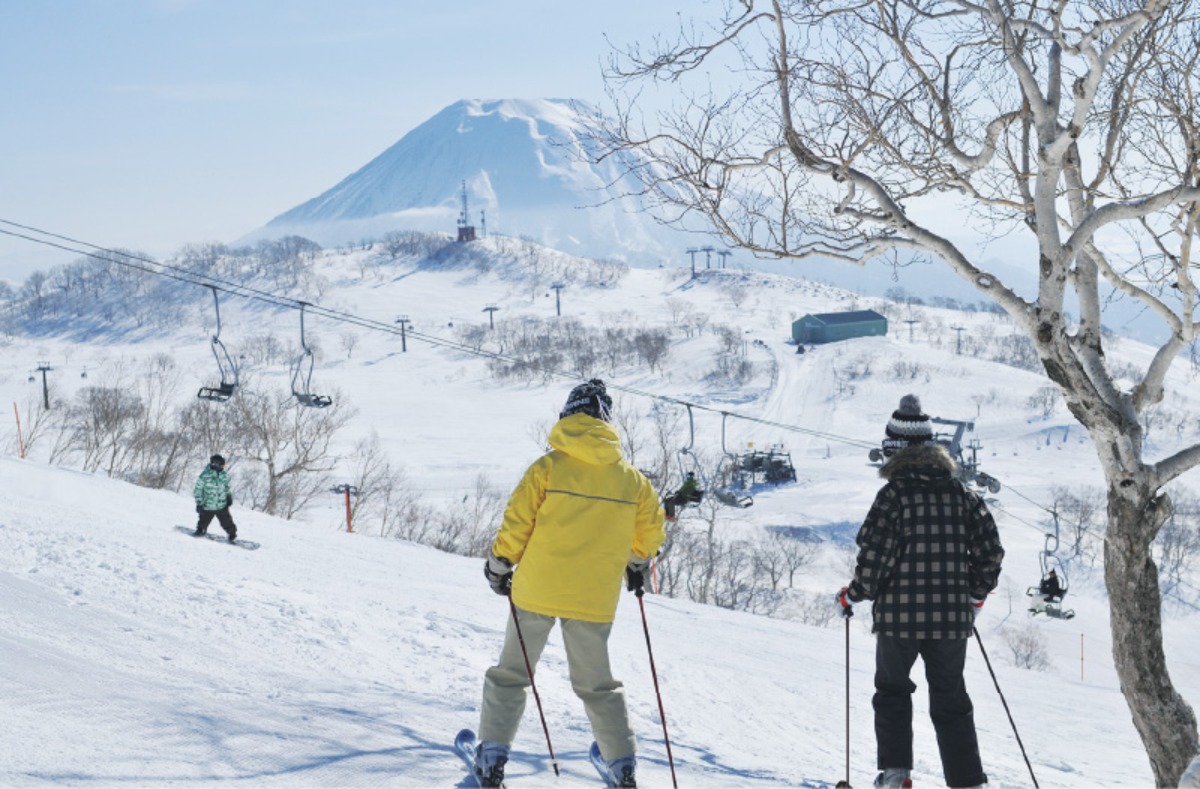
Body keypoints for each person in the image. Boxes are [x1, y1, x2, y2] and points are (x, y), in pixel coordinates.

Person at [473, 379, 667, 789]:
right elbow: (651, 534)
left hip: (537, 589)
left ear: (568, 416)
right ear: (606, 421)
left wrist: (499, 564)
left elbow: (517, 523)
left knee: (511, 673)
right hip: (593, 598)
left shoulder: (548, 468)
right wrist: (635, 563)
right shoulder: (633, 482)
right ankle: (622, 766)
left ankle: (491, 759)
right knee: (597, 685)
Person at [835, 394, 1004, 789]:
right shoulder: (962, 495)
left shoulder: (893, 496)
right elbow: (991, 553)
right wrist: (973, 597)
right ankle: (968, 783)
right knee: (951, 701)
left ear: (894, 452)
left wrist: (853, 595)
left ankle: (896, 777)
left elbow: (874, 561)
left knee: (893, 692)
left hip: (898, 620)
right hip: (950, 622)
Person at [193, 454, 237, 542]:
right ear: (215, 465)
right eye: (222, 465)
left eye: (224, 466)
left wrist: (228, 496)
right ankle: (200, 530)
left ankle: (232, 534)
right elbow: (198, 490)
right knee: (204, 520)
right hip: (208, 505)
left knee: (227, 521)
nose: (223, 467)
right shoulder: (204, 476)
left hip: (221, 505)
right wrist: (199, 503)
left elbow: (226, 487)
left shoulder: (224, 475)